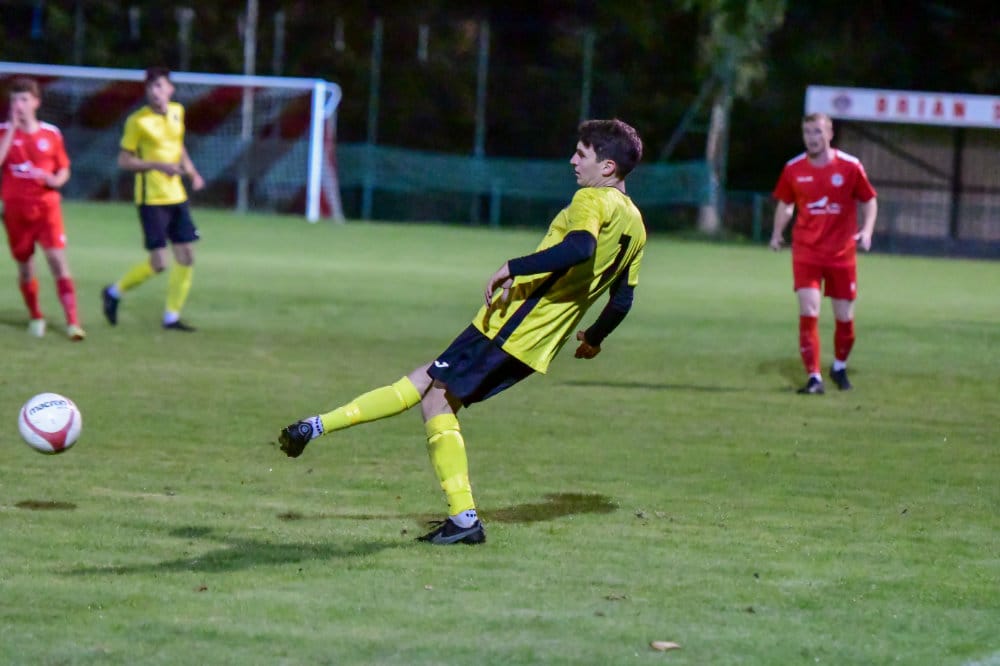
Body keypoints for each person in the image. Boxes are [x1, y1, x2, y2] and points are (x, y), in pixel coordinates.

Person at [277, 119, 647, 545]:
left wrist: (513, 266)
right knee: (426, 380)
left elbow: (580, 248)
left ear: (607, 167)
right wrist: (594, 338)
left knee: (436, 399)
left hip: (513, 327)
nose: (572, 161)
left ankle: (464, 518)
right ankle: (313, 427)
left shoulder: (592, 199)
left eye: (582, 154)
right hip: (530, 339)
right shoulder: (636, 226)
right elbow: (622, 299)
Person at [770, 112, 877, 394]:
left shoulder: (850, 167)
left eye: (817, 132)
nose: (812, 138)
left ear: (829, 134)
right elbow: (786, 204)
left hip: (842, 254)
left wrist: (866, 231)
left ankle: (839, 367)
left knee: (845, 318)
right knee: (809, 310)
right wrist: (777, 233)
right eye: (807, 132)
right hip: (806, 252)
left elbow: (869, 199)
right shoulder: (793, 168)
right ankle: (814, 378)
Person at [102, 66, 204, 331]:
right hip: (151, 199)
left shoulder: (178, 111)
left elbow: (178, 145)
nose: (155, 92)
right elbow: (124, 161)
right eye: (150, 87)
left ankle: (171, 317)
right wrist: (158, 166)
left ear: (170, 89)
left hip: (176, 195)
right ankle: (113, 292)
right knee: (159, 263)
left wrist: (192, 172)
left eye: (159, 86)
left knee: (187, 256)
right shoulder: (138, 121)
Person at [0, 77, 85, 340]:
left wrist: (56, 180)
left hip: (47, 208)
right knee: (26, 267)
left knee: (57, 260)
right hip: (15, 210)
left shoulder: (51, 134)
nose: (19, 105)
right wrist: (12, 129)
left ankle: (73, 323)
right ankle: (36, 316)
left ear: (36, 102)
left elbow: (64, 168)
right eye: (14, 99)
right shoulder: (3, 132)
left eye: (24, 99)